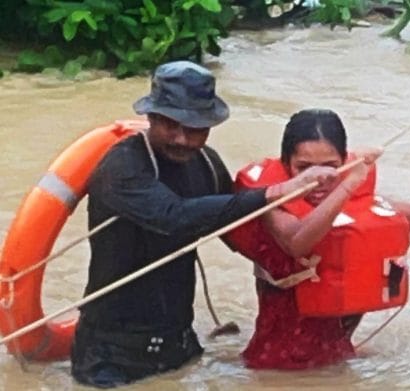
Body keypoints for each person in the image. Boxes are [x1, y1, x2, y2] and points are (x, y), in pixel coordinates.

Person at [70, 61, 335, 388]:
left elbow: (242, 233)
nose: (182, 139)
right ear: (151, 117)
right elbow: (174, 216)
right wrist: (276, 191)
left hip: (180, 347)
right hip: (111, 358)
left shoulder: (208, 165)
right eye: (170, 124)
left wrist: (318, 238)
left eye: (195, 128)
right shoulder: (123, 166)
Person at [225, 109, 410, 369]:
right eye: (304, 168)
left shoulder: (355, 202)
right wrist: (347, 185)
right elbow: (297, 242)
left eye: (330, 167)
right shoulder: (273, 205)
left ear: (345, 162)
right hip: (276, 368)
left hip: (339, 357)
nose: (319, 179)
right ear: (285, 164)